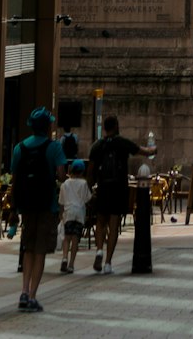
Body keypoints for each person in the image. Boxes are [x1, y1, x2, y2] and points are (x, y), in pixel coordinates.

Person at [9, 106, 65, 313]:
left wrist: (14, 208)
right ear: (48, 126)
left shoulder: (19, 148)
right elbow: (61, 175)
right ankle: (32, 295)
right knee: (40, 250)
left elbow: (14, 181)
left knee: (28, 247)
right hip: (46, 204)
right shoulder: (54, 147)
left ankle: (23, 291)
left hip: (26, 205)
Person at [87, 114, 141, 273]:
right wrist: (153, 149)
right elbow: (141, 150)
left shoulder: (97, 146)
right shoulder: (122, 143)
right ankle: (108, 263)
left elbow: (90, 171)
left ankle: (98, 250)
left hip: (103, 187)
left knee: (100, 222)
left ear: (104, 127)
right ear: (116, 126)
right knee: (114, 224)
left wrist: (90, 190)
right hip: (119, 189)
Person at [58, 159, 91, 273]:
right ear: (82, 172)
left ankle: (64, 258)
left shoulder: (65, 184)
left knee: (66, 238)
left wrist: (61, 215)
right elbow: (87, 199)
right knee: (75, 239)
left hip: (68, 212)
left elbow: (61, 202)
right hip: (79, 213)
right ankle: (71, 264)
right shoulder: (84, 183)